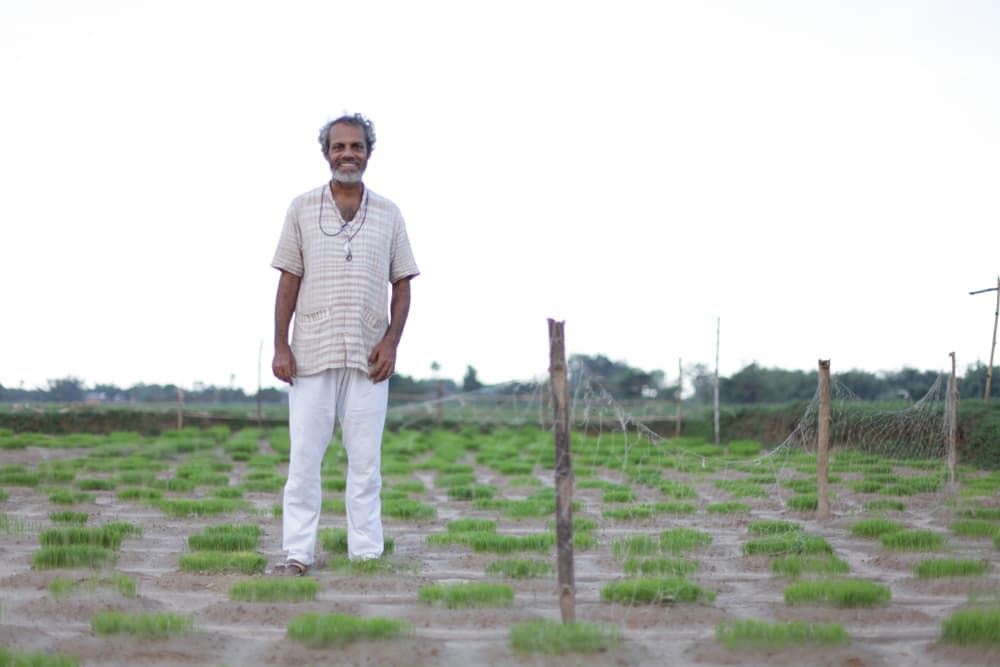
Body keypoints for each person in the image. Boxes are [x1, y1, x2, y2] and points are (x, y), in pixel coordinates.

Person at [269, 113, 419, 575]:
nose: (348, 154)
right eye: (339, 147)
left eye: (356, 146)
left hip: (370, 357)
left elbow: (403, 284)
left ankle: (366, 557)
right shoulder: (300, 208)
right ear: (326, 153)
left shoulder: (390, 213)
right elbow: (288, 280)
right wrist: (280, 345)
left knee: (366, 467)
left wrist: (392, 342)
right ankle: (297, 555)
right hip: (311, 354)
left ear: (369, 153)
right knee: (304, 465)